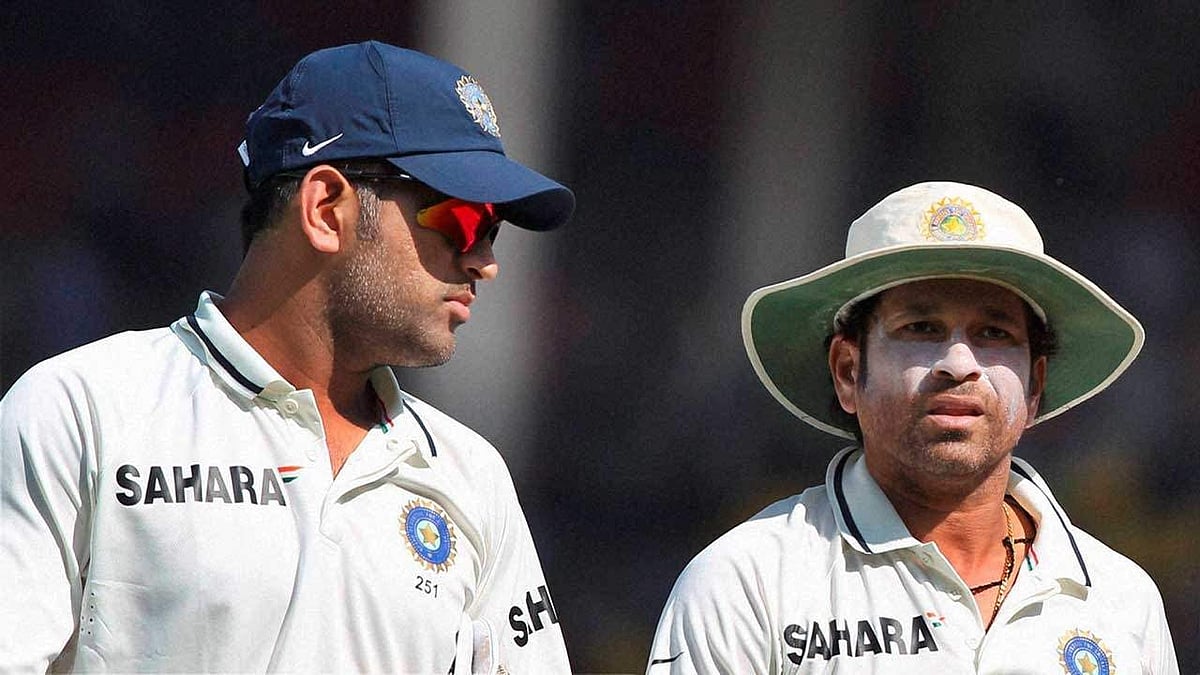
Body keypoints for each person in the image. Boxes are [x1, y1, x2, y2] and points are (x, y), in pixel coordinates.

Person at [1, 41, 574, 673]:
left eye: (493, 230)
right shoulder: (81, 411)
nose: (485, 262)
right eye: (463, 220)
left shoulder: (474, 475)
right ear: (325, 209)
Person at [646, 182, 1179, 674]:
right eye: (921, 328)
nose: (959, 364)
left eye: (994, 333)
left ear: (1034, 387)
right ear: (848, 372)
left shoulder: (1123, 600)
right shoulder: (749, 583)